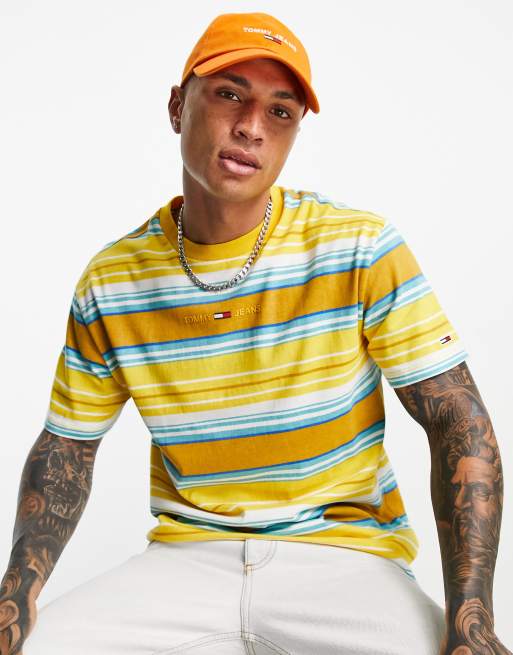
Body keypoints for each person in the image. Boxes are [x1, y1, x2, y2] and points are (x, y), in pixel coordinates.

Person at [0, 11, 510, 655]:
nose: (250, 126)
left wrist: (471, 619)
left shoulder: (358, 248)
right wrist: (15, 595)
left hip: (344, 562)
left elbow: (458, 421)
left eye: (280, 111)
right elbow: (67, 451)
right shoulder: (114, 279)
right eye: (229, 94)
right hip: (187, 561)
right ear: (177, 107)